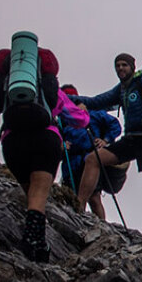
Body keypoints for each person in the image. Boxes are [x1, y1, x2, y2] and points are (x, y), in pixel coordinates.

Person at [0, 43, 67, 262]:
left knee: (30, 193)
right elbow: (76, 117)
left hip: (14, 142)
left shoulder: (7, 88)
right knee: (39, 195)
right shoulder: (47, 88)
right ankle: (34, 243)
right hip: (45, 138)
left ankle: (35, 242)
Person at [74, 53, 142, 235]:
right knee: (93, 159)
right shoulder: (121, 89)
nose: (120, 68)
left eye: (124, 65)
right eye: (117, 65)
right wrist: (67, 99)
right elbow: (96, 102)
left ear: (132, 67)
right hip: (133, 137)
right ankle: (78, 209)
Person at [57, 84, 124, 221]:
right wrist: (61, 145)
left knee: (93, 198)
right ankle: (93, 224)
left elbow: (115, 126)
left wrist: (105, 140)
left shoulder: (92, 114)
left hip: (86, 158)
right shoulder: (61, 120)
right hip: (72, 161)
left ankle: (100, 225)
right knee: (79, 197)